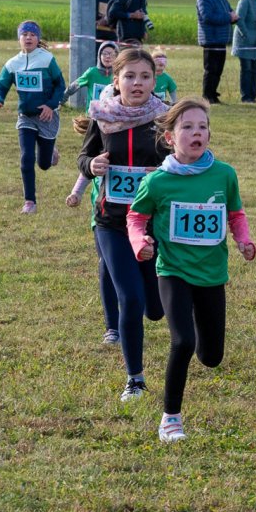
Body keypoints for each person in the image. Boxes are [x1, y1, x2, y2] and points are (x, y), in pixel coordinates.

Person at [127, 98, 256, 443]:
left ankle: (200, 335)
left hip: (212, 274)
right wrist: (140, 243)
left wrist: (244, 240)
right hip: (173, 270)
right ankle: (170, 419)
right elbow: (136, 217)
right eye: (187, 127)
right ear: (170, 137)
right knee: (182, 341)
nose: (196, 133)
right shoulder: (158, 182)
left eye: (202, 127)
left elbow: (236, 214)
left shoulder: (224, 175)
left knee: (211, 356)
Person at [66, 46, 169, 402]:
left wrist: (163, 171)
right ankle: (135, 379)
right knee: (131, 298)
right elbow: (84, 155)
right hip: (111, 222)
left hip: (152, 223)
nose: (137, 83)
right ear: (116, 80)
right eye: (130, 76)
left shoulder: (164, 119)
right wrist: (91, 165)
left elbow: (181, 161)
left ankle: (155, 307)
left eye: (145, 76)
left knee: (155, 308)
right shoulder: (102, 115)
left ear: (154, 81)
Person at [0, 20, 65, 214]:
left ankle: (51, 152)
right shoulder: (12, 63)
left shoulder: (47, 59)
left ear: (38, 38)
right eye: (24, 34)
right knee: (26, 157)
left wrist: (50, 105)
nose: (28, 38)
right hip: (26, 116)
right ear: (19, 38)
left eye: (32, 34)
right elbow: (1, 85)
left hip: (47, 116)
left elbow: (60, 85)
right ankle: (30, 202)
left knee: (44, 165)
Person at [196, 0, 236, 104]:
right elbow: (208, 17)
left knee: (218, 69)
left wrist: (234, 17)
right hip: (211, 39)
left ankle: (213, 94)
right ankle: (207, 95)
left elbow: (229, 11)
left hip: (221, 39)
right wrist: (228, 17)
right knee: (211, 69)